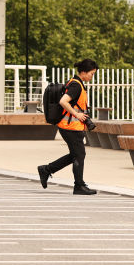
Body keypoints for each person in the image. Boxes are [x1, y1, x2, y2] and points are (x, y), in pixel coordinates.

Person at [37, 59, 98, 195]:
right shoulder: (76, 85)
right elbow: (63, 101)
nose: (92, 77)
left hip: (71, 126)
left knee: (75, 155)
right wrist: (77, 114)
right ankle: (79, 186)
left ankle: (46, 170)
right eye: (92, 74)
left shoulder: (76, 83)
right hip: (70, 127)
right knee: (79, 155)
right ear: (83, 72)